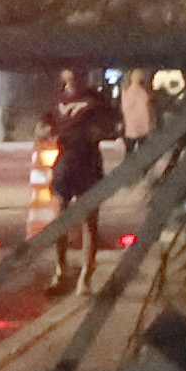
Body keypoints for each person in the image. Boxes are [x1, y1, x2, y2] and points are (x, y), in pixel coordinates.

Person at [38, 76, 116, 294]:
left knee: (89, 220)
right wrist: (45, 132)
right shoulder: (56, 101)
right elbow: (42, 127)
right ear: (63, 75)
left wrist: (98, 131)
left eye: (77, 69)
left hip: (88, 162)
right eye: (69, 70)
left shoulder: (95, 99)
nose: (73, 74)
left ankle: (85, 276)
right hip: (64, 161)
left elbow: (110, 123)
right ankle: (61, 269)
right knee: (59, 218)